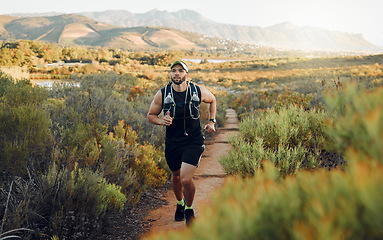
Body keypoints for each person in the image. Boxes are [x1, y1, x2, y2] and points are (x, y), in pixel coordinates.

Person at [147, 60, 216, 226]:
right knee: (176, 176)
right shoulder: (163, 93)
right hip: (173, 142)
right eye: (173, 70)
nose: (176, 73)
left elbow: (212, 100)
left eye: (180, 70)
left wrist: (212, 122)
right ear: (170, 74)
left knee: (185, 179)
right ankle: (180, 203)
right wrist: (161, 121)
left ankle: (189, 209)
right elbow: (151, 115)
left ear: (186, 74)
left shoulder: (197, 90)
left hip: (193, 140)